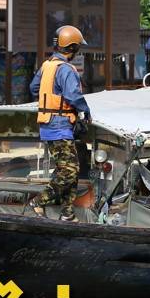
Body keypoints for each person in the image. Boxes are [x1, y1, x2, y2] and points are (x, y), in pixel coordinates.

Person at [28, 25, 91, 223]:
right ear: (72, 48)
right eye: (77, 47)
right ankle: (38, 201)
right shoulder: (66, 69)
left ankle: (67, 213)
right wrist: (85, 109)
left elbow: (34, 88)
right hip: (60, 126)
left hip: (48, 124)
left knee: (68, 169)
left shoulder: (47, 65)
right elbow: (73, 95)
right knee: (69, 170)